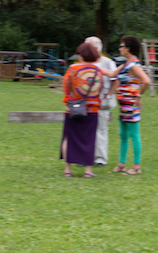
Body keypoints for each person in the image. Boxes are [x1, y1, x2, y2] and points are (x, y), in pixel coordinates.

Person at [101, 35, 151, 175]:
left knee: (134, 135)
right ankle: (121, 164)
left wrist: (139, 96)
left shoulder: (134, 65)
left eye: (121, 46)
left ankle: (136, 167)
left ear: (128, 49)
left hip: (131, 106)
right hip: (124, 106)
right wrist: (92, 67)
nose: (119, 48)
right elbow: (112, 74)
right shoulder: (125, 65)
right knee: (123, 135)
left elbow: (146, 81)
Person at [60, 43, 104, 178]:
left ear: (81, 55)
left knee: (68, 137)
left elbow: (66, 86)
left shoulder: (73, 69)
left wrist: (71, 97)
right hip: (92, 109)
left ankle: (67, 170)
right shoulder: (98, 71)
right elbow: (100, 89)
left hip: (73, 109)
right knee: (89, 139)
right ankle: (88, 171)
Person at [84, 36, 120, 167]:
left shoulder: (108, 62)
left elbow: (116, 80)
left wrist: (109, 95)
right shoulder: (85, 62)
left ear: (95, 47)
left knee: (101, 130)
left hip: (102, 102)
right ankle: (85, 157)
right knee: (86, 129)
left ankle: (100, 158)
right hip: (86, 101)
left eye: (87, 46)